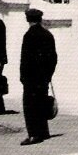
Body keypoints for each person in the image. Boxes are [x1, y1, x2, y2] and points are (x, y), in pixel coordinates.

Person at [19, 8, 58, 145]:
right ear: (40, 19)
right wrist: (48, 74)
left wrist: (23, 77)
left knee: (30, 106)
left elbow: (25, 59)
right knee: (41, 103)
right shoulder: (48, 35)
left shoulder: (28, 36)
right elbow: (53, 57)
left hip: (31, 78)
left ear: (28, 19)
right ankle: (43, 131)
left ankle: (34, 134)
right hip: (43, 78)